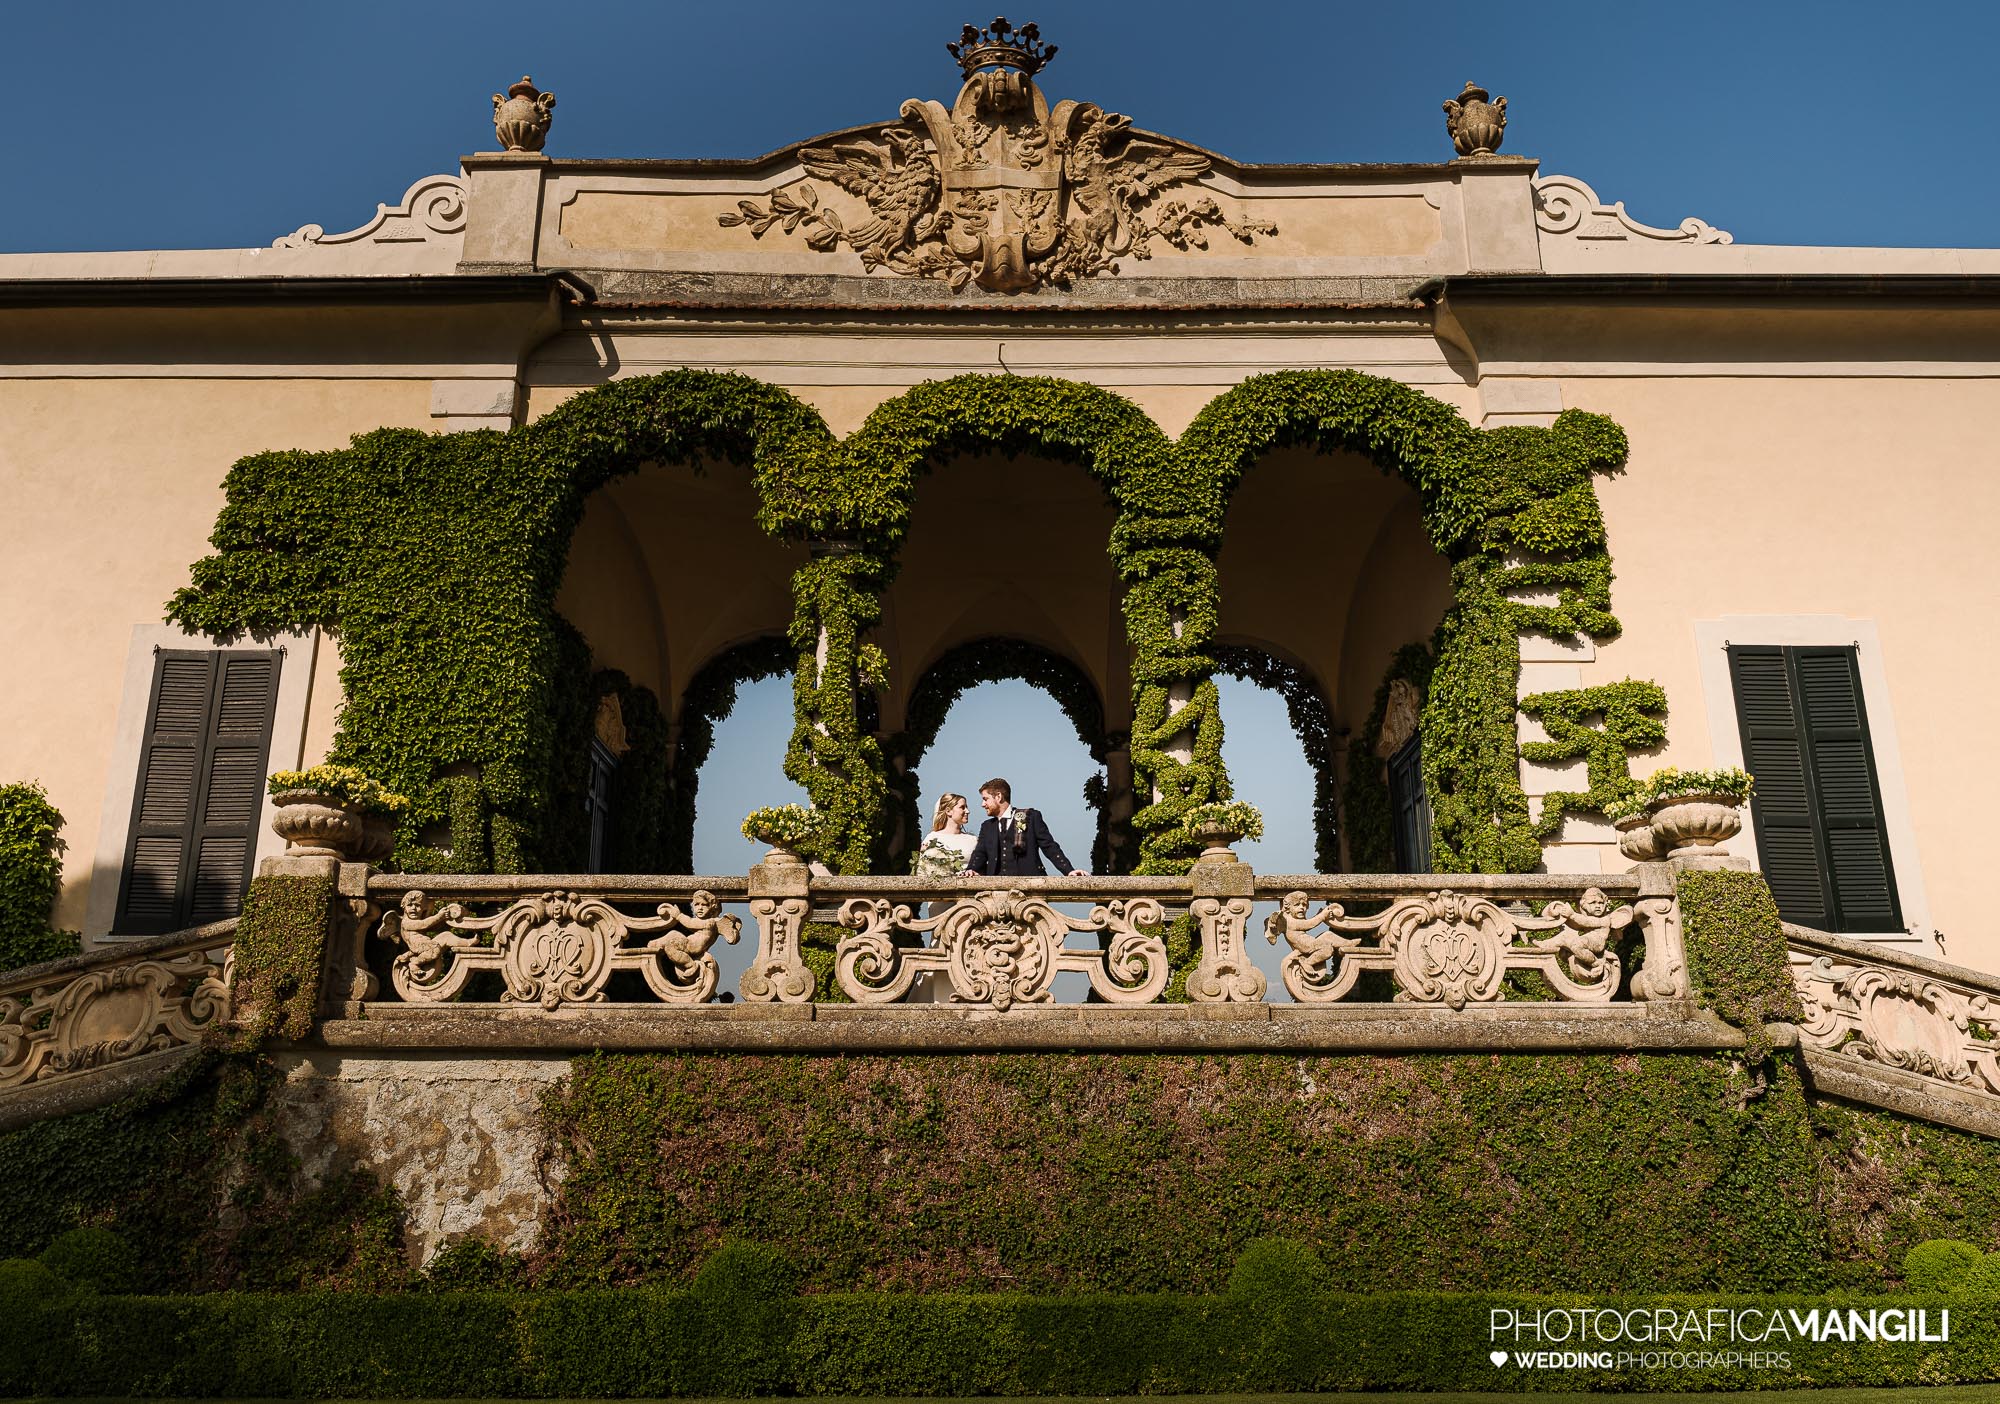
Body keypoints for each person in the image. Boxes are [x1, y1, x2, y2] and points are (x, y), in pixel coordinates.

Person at [965, 776, 1087, 877]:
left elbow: (1049, 846)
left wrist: (1069, 870)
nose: (983, 804)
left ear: (998, 796)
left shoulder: (1030, 816)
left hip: (1030, 884)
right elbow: (979, 853)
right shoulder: (987, 827)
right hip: (996, 889)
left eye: (985, 799)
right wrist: (971, 869)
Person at [912, 792, 977, 877]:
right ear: (948, 811)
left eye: (967, 807)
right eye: (962, 807)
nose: (967, 811)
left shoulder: (973, 840)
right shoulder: (932, 838)